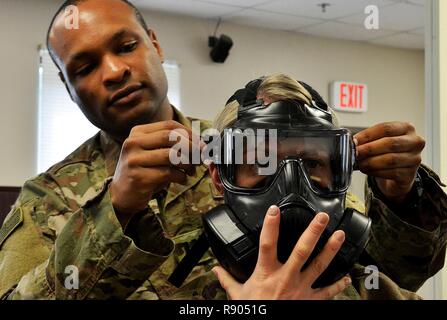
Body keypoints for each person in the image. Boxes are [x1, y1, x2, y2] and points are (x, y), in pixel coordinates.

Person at [0, 0, 445, 300]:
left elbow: (393, 272)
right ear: (66, 84)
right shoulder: (50, 199)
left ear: (153, 44)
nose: (114, 71)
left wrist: (402, 197)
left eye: (126, 46)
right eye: (85, 66)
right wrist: (113, 212)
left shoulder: (252, 149)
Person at [206, 73, 447, 299]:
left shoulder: (377, 292)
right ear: (219, 177)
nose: (291, 188)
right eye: (262, 162)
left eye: (312, 163)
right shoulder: (183, 288)